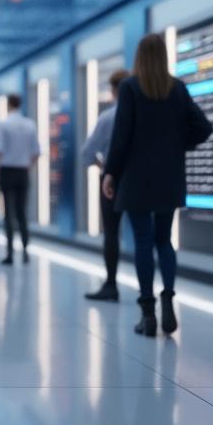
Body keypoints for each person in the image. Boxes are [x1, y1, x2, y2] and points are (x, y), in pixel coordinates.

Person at [103, 33, 213, 337]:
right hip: (169, 176)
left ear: (139, 56)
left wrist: (110, 172)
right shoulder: (176, 88)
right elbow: (204, 127)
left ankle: (147, 313)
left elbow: (121, 136)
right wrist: (179, 144)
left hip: (137, 178)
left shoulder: (130, 87)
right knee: (164, 240)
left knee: (142, 240)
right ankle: (168, 303)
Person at [81, 69, 129, 301]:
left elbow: (87, 153)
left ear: (113, 91)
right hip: (140, 180)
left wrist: (105, 167)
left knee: (111, 232)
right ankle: (148, 291)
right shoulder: (143, 115)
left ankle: (111, 284)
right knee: (143, 234)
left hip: (111, 179)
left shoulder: (107, 118)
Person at [0, 93, 40, 265]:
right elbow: (36, 153)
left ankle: (10, 253)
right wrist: (28, 165)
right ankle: (26, 250)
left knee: (8, 213)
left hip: (7, 172)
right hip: (22, 172)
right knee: (22, 212)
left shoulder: (2, 124)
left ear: (8, 105)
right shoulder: (30, 125)